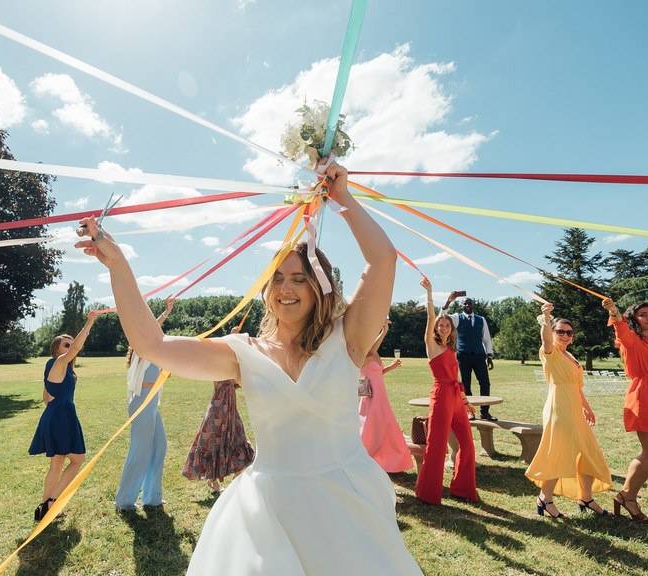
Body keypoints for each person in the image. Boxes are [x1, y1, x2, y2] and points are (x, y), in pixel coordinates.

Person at [76, 162, 421, 575]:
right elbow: (153, 344)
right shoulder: (244, 353)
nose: (286, 289)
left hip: (346, 502)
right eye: (276, 279)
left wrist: (343, 198)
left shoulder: (347, 339)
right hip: (268, 513)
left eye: (298, 278)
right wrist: (118, 265)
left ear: (320, 286)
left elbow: (382, 259)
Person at [525, 303, 612, 518]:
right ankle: (545, 499)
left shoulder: (572, 357)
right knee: (560, 453)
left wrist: (587, 408)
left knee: (588, 453)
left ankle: (586, 497)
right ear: (553, 333)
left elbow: (578, 387)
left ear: (572, 336)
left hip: (574, 408)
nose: (564, 335)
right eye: (560, 331)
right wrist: (546, 318)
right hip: (559, 408)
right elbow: (545, 339)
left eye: (568, 332)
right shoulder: (550, 352)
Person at [28, 309, 100, 522]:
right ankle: (52, 501)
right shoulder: (58, 362)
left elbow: (46, 396)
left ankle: (44, 508)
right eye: (66, 345)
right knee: (78, 460)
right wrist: (89, 322)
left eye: (71, 344)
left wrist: (56, 404)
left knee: (58, 463)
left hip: (59, 414)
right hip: (61, 416)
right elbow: (78, 346)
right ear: (57, 349)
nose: (71, 347)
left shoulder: (62, 367)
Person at [416, 277, 478, 505]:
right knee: (437, 445)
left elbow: (458, 378)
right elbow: (431, 316)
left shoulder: (451, 348)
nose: (442, 327)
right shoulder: (431, 345)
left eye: (446, 325)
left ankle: (462, 488)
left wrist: (465, 400)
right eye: (440, 325)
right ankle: (427, 493)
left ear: (451, 329)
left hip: (455, 397)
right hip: (441, 395)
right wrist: (430, 292)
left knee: (468, 445)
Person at [115, 299, 175, 512]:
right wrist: (163, 315)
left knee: (159, 446)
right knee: (140, 451)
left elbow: (154, 330)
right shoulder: (142, 350)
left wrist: (167, 311)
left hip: (151, 404)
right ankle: (124, 500)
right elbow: (151, 328)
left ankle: (152, 497)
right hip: (141, 403)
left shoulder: (152, 350)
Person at [182, 326, 255, 494]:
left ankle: (236, 479)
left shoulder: (233, 362)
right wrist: (232, 336)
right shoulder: (218, 363)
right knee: (213, 442)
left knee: (238, 439)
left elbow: (237, 381)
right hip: (217, 409)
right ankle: (212, 480)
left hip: (230, 409)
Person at [602, 298, 648, 522]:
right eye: (643, 314)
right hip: (644, 397)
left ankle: (626, 496)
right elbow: (621, 330)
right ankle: (627, 496)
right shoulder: (631, 340)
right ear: (634, 319)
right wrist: (614, 311)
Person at [358, 319, 413, 473]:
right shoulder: (364, 351)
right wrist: (384, 331)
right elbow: (370, 353)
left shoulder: (374, 353)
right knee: (372, 428)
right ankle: (363, 458)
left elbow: (377, 373)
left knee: (385, 426)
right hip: (371, 396)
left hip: (381, 395)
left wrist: (391, 367)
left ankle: (390, 462)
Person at [443, 292, 497, 420]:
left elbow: (486, 338)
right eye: (465, 303)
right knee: (465, 385)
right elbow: (444, 317)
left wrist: (489, 355)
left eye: (469, 303)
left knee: (485, 384)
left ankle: (485, 412)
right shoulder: (457, 318)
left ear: (473, 305)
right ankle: (469, 412)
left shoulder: (481, 319)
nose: (467, 305)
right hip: (463, 356)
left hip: (479, 356)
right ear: (462, 305)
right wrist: (447, 302)